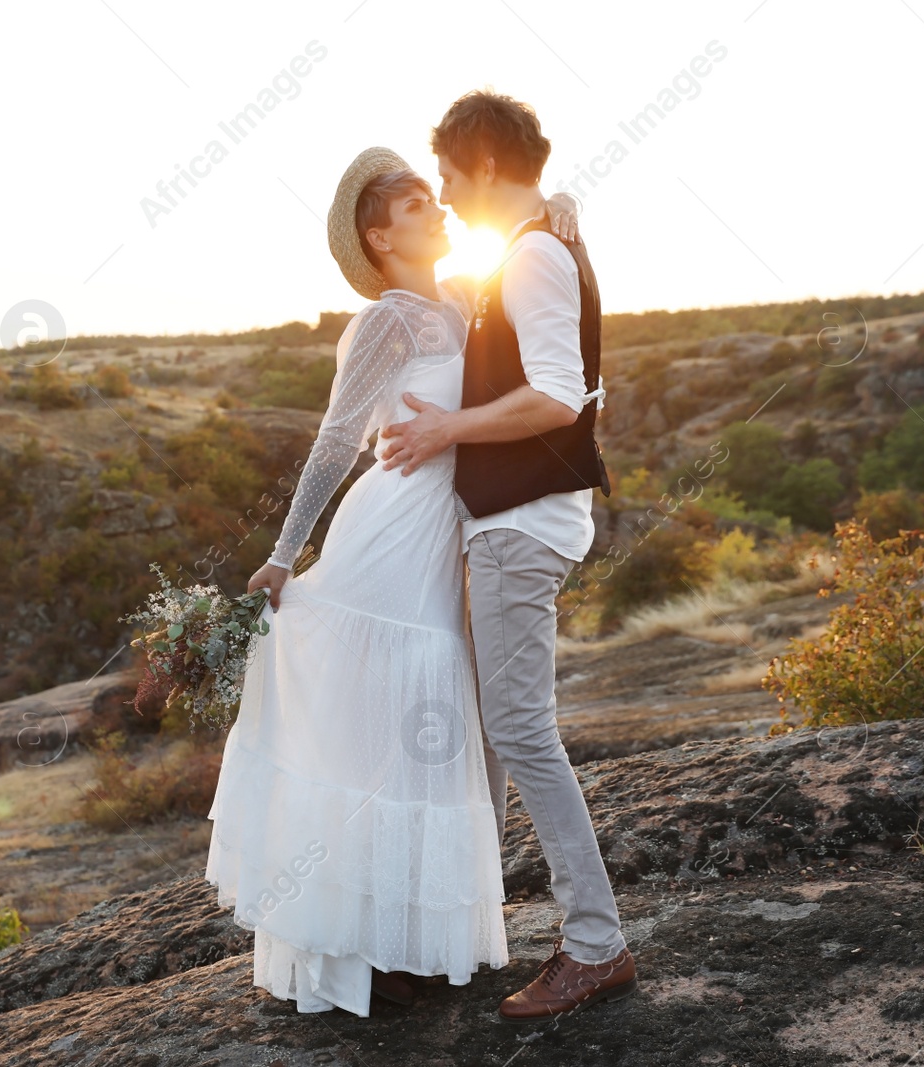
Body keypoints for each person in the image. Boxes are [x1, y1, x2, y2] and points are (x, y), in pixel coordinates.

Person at [203, 145, 580, 1017]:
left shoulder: (465, 301)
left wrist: (560, 202)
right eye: (418, 202)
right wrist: (286, 552)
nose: (439, 208)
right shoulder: (388, 322)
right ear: (380, 234)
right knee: (374, 735)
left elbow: (530, 266)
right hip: (386, 539)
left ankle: (397, 935)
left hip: (441, 547)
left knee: (427, 732)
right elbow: (336, 442)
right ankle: (358, 946)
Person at [378, 90, 638, 1021]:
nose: (445, 193)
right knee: (494, 734)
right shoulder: (541, 240)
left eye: (449, 174)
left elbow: (561, 398)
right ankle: (459, 929)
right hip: (519, 521)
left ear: (484, 164)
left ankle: (596, 944)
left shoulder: (531, 254)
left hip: (522, 525)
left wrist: (449, 426)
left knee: (521, 729)